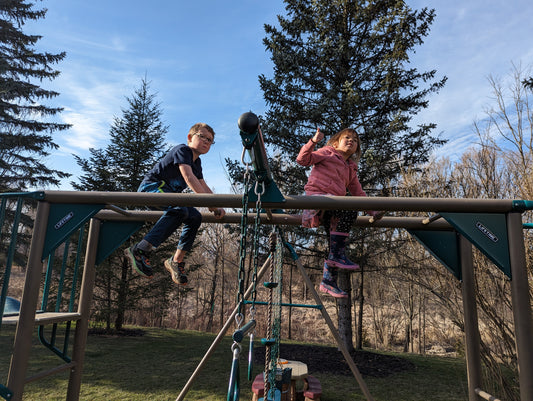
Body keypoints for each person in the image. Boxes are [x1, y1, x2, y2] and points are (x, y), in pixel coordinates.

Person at [125, 122, 225, 286]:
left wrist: (217, 205)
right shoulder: (183, 150)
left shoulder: (197, 163)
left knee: (194, 217)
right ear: (189, 137)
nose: (206, 141)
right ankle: (140, 249)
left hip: (170, 196)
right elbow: (189, 178)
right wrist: (210, 204)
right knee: (179, 210)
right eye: (202, 137)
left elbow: (203, 185)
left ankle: (176, 261)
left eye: (210, 140)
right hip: (152, 189)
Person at [296, 127, 376, 298]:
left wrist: (372, 211)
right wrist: (314, 141)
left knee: (334, 242)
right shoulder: (327, 153)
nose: (351, 141)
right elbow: (302, 160)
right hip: (319, 198)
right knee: (349, 209)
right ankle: (336, 258)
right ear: (335, 143)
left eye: (355, 140)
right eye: (347, 137)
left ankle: (328, 281)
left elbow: (358, 193)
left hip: (333, 206)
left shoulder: (350, 168)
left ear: (357, 148)